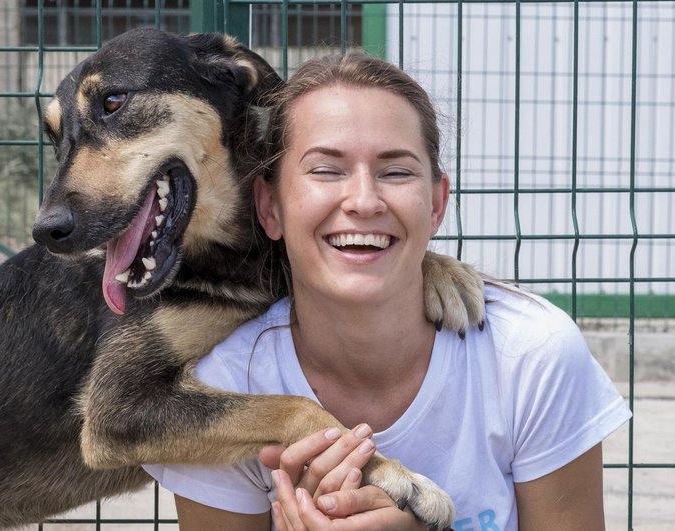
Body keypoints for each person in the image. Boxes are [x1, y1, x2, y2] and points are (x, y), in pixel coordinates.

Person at [144, 52, 631, 530]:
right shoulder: (230, 386)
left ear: (438, 204)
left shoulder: (531, 354)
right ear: (269, 207)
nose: (364, 201)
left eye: (396, 171)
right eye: (326, 170)